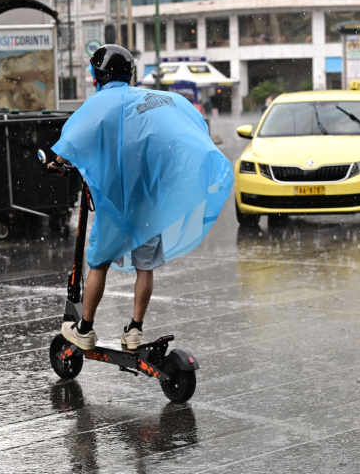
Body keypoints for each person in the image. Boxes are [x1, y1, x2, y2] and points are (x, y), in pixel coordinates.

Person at [49, 45, 233, 351]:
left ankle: (85, 328)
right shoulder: (153, 99)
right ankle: (135, 330)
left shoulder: (104, 101)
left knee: (99, 264)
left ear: (99, 75)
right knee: (144, 268)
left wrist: (56, 162)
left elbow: (75, 134)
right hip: (149, 205)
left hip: (117, 204)